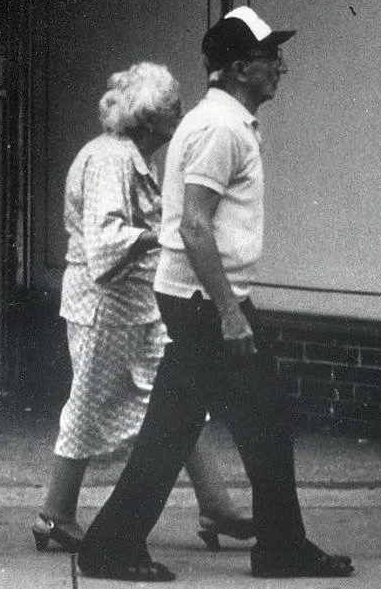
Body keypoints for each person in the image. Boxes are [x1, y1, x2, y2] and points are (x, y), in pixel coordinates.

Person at [76, 7, 354, 584]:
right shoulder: (220, 129)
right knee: (231, 424)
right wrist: (231, 313)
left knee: (220, 424)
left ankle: (119, 545)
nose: (280, 66)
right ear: (235, 69)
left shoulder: (225, 123)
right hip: (207, 302)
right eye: (267, 57)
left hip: (201, 298)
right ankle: (266, 548)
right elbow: (195, 226)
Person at [34, 60, 253, 556]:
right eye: (171, 106)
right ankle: (56, 513)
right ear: (148, 116)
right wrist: (165, 234)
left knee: (180, 397)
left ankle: (216, 504)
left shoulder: (136, 160)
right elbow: (105, 240)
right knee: (90, 406)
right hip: (105, 307)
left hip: (134, 307)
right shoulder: (110, 159)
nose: (179, 112)